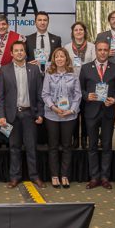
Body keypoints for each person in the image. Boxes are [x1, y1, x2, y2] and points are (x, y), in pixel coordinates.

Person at [0, 41, 45, 188]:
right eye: (16, 50)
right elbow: (1, 97)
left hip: (29, 114)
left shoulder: (34, 69)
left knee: (31, 147)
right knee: (14, 147)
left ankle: (34, 176)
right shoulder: (4, 70)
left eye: (21, 50)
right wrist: (1, 116)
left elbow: (40, 94)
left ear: (25, 53)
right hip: (12, 116)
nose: (19, 53)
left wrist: (40, 113)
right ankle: (15, 177)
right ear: (11, 53)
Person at [78, 40, 115, 189]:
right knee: (92, 146)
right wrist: (86, 96)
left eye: (105, 50)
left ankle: (105, 177)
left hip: (108, 112)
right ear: (95, 51)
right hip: (91, 112)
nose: (102, 52)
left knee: (107, 145)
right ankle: (94, 177)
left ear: (109, 51)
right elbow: (80, 89)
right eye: (100, 50)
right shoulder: (86, 68)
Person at [41, 47, 81, 188]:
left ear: (66, 58)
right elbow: (45, 94)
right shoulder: (49, 74)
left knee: (66, 146)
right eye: (57, 56)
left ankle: (64, 175)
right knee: (53, 146)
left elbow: (78, 95)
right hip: (52, 115)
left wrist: (71, 110)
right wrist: (54, 108)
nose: (59, 59)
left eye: (62, 56)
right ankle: (54, 175)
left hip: (69, 116)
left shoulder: (73, 74)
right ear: (54, 59)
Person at [65, 21, 95, 149]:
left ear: (84, 32)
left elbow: (94, 65)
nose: (78, 32)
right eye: (76, 30)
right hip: (72, 85)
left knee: (86, 113)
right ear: (72, 33)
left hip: (87, 85)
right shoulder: (67, 47)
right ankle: (75, 139)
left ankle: (84, 138)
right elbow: (65, 65)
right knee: (74, 112)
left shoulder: (92, 47)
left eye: (81, 29)